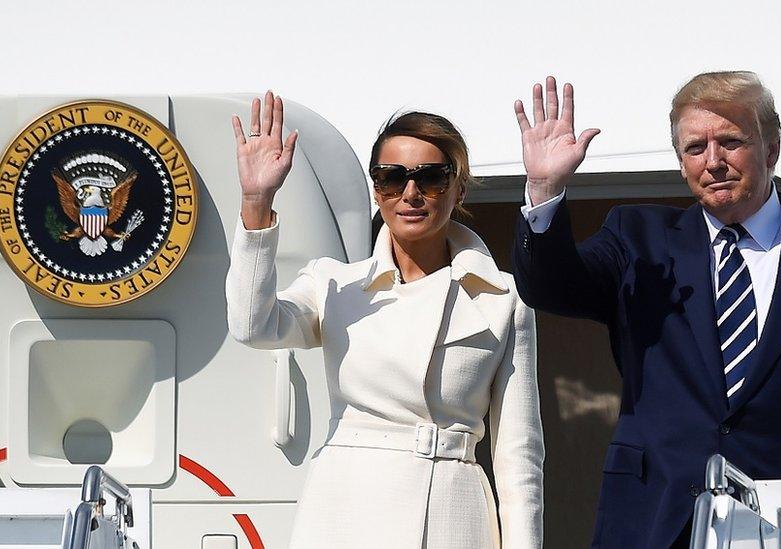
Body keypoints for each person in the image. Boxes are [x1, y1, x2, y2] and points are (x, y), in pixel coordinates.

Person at [510, 73, 781, 548]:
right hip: (653, 523)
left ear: (771, 149)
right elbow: (553, 288)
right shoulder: (638, 239)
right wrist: (544, 192)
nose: (713, 161)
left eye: (731, 142)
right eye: (694, 148)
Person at [226, 92, 543, 548]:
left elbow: (520, 456)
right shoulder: (334, 283)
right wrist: (257, 203)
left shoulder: (503, 297)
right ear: (377, 191)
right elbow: (252, 326)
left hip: (453, 515)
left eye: (432, 178)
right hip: (346, 511)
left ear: (459, 188)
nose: (410, 194)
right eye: (392, 179)